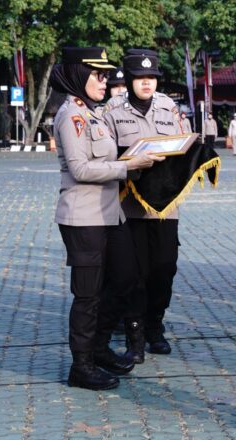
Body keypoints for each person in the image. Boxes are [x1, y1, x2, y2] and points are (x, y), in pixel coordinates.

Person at [52, 46, 162, 390]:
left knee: (126, 279)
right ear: (76, 75)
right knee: (88, 295)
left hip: (108, 213)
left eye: (105, 74)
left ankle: (99, 348)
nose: (105, 80)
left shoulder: (94, 114)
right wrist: (128, 166)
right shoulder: (71, 115)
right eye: (97, 74)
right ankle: (81, 365)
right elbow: (81, 168)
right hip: (82, 216)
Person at [104, 49, 184, 362]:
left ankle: (155, 326)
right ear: (130, 79)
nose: (147, 83)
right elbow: (106, 157)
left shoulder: (168, 106)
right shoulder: (113, 110)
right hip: (130, 207)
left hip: (164, 207)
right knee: (132, 274)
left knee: (164, 269)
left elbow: (183, 142)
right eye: (141, 78)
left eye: (152, 78)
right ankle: (135, 335)